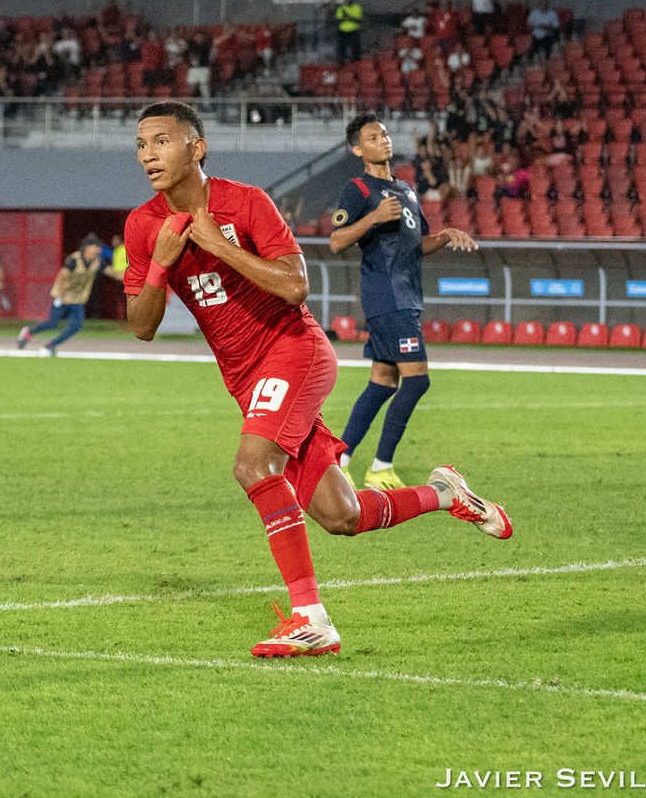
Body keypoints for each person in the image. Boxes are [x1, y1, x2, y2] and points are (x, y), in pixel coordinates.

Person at [123, 101, 511, 659]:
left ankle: (311, 618)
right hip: (245, 377)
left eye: (160, 141)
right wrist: (161, 264)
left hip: (295, 350)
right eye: (140, 145)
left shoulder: (246, 203)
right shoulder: (143, 225)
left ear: (196, 147)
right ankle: (444, 493)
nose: (147, 155)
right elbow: (142, 326)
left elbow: (295, 286)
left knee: (253, 465)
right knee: (342, 515)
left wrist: (218, 246)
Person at [329, 114, 480, 492]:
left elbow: (416, 245)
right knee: (417, 381)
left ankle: (340, 460)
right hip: (387, 295)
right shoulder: (358, 190)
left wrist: (444, 236)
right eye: (373, 137)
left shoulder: (407, 190)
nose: (383, 140)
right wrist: (373, 219)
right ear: (358, 149)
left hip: (407, 296)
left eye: (384, 134)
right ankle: (380, 467)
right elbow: (336, 241)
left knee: (382, 381)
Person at [17, 234, 122, 354]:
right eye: (96, 247)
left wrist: (132, 277)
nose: (99, 250)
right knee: (52, 323)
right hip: (62, 296)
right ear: (88, 248)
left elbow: (113, 273)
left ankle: (51, 345)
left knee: (76, 326)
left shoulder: (98, 262)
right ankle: (28, 332)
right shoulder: (74, 259)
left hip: (77, 299)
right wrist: (62, 296)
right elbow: (62, 277)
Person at [335, 0, 362, 65]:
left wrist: (347, 16)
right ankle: (342, 62)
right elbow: (339, 20)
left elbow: (357, 20)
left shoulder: (357, 7)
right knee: (341, 48)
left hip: (353, 30)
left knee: (355, 48)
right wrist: (350, 18)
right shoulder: (341, 8)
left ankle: (355, 62)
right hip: (342, 30)